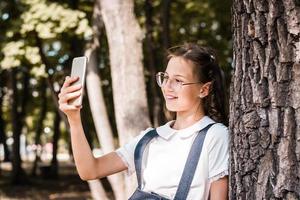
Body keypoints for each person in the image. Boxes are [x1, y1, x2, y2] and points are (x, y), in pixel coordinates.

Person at [58, 43, 229, 200]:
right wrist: (73, 119)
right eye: (166, 77)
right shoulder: (149, 139)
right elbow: (90, 170)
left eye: (178, 81)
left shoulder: (215, 136)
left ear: (204, 89)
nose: (167, 87)